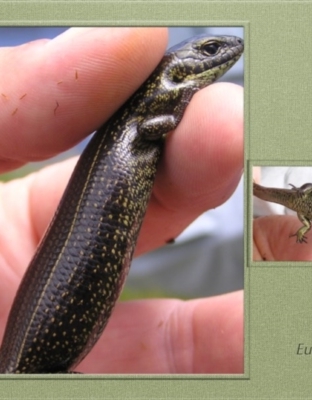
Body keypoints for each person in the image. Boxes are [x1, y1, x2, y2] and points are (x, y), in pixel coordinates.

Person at [0, 27, 243, 373]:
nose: (227, 49)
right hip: (45, 342)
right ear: (175, 73)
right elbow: (148, 129)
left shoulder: (145, 111)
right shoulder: (147, 118)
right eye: (209, 49)